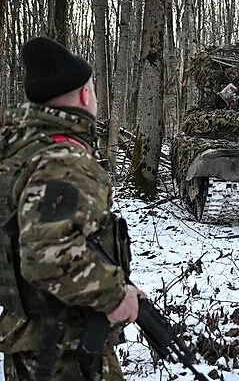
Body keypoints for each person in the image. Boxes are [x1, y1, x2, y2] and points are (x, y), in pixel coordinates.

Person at [0, 37, 145, 380]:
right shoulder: (63, 161)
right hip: (62, 348)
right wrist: (114, 295)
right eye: (93, 89)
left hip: (33, 340)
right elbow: (47, 254)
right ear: (84, 95)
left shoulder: (20, 151)